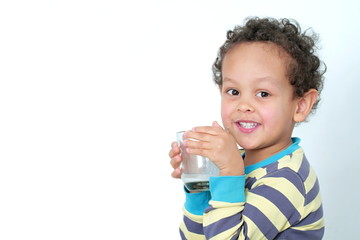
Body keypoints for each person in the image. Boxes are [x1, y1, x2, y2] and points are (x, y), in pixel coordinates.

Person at [169, 17, 325, 239]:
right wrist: (198, 184)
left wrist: (230, 172)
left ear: (300, 105)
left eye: (263, 93)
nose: (244, 106)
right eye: (233, 92)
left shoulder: (287, 180)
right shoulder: (236, 161)